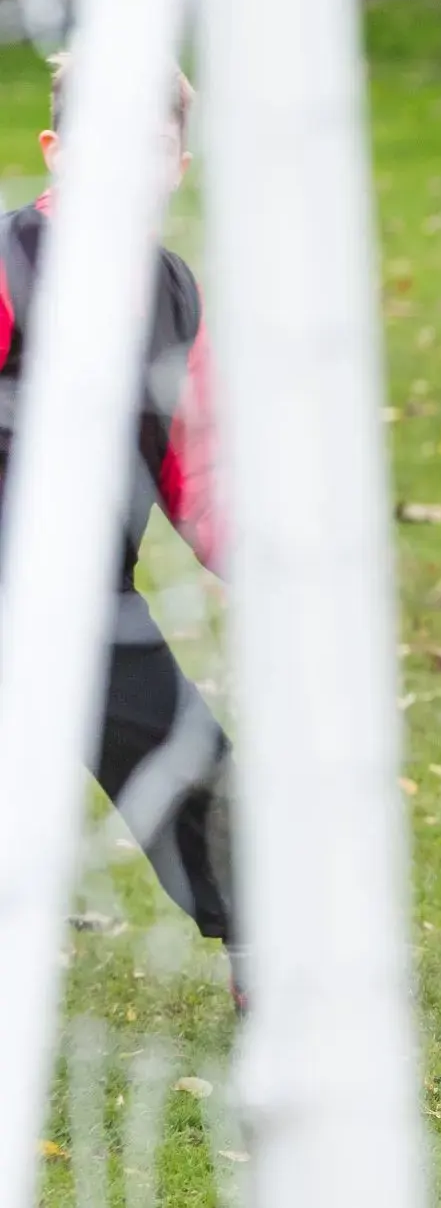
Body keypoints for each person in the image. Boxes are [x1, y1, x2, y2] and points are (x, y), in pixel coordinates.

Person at [0, 55, 240, 1002]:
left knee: (201, 776)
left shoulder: (176, 295)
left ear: (177, 164)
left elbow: (201, 466)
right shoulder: (16, 259)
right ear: (56, 154)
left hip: (91, 601)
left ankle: (263, 953)